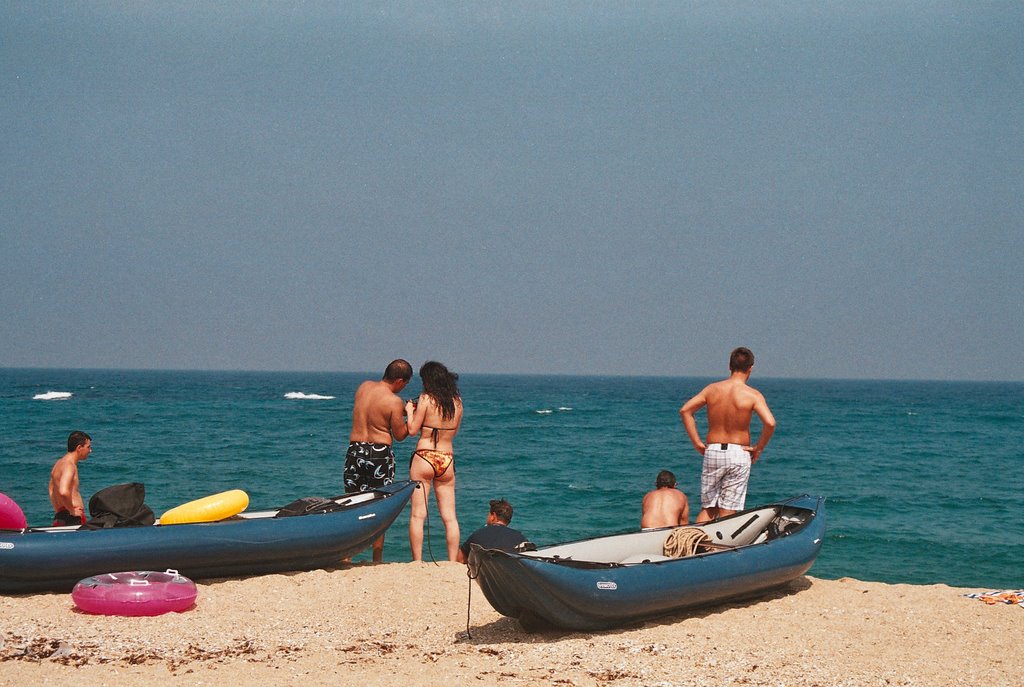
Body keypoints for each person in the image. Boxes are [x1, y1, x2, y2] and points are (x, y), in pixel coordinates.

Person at [679, 347, 776, 523]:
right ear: (750, 368)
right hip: (738, 453)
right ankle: (721, 548)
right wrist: (758, 448)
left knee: (708, 508)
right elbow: (770, 423)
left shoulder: (712, 389)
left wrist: (697, 442)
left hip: (713, 450)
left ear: (729, 366)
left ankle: (695, 544)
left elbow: (686, 410)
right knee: (728, 510)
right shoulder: (752, 395)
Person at [344, 359, 413, 561]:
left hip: (355, 451)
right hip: (378, 453)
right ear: (400, 381)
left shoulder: (363, 387)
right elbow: (400, 435)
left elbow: (371, 412)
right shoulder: (394, 401)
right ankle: (377, 557)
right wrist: (410, 414)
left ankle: (346, 555)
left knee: (352, 503)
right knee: (380, 505)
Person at [405, 360, 463, 562]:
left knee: (418, 515)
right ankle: (451, 561)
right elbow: (454, 432)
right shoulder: (457, 402)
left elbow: (412, 431)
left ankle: (418, 560)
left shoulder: (426, 399)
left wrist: (410, 412)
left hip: (424, 456)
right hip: (446, 459)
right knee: (449, 516)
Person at [456, 498, 527, 563]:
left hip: (485, 572)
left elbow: (460, 559)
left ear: (493, 516)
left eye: (489, 514)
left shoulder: (478, 534)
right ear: (509, 521)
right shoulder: (520, 537)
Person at [48, 431, 92, 526]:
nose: (90, 450)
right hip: (72, 518)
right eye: (88, 447)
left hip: (61, 515)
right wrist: (72, 511)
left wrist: (60, 510)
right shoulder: (69, 466)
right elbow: (63, 491)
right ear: (79, 448)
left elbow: (51, 490)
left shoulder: (58, 464)